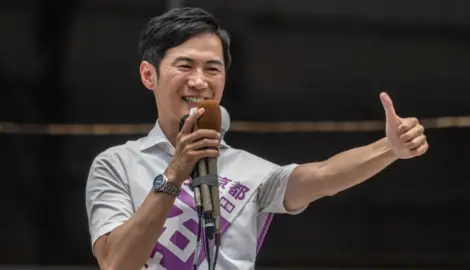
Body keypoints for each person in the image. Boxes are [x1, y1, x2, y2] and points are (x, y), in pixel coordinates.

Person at [85, 7, 429, 270]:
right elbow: (116, 262)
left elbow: (323, 175)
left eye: (213, 69)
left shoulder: (248, 170)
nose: (199, 81)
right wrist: (175, 174)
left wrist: (390, 149)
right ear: (149, 75)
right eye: (185, 66)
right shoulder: (116, 164)